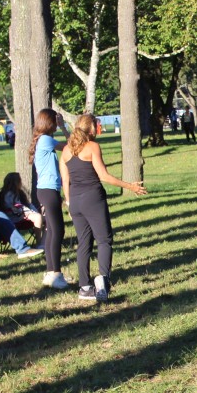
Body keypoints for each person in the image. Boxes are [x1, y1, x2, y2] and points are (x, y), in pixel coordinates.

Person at [60, 114, 146, 302]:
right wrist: (130, 186)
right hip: (93, 199)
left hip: (75, 201)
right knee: (104, 240)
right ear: (90, 128)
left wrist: (69, 203)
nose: (97, 129)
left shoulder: (66, 151)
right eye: (96, 125)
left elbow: (65, 181)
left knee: (84, 243)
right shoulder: (92, 147)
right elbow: (104, 176)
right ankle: (103, 282)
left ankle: (84, 287)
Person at [30, 109, 69, 289]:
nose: (56, 125)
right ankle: (56, 274)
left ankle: (50, 272)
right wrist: (64, 127)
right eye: (55, 122)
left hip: (46, 190)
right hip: (48, 190)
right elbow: (71, 146)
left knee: (52, 231)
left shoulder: (41, 140)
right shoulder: (45, 139)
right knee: (58, 231)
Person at [0, 172, 44, 246]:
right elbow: (13, 209)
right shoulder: (7, 195)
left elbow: (28, 204)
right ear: (16, 182)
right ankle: (39, 242)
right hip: (15, 218)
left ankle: (45, 241)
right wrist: (28, 212)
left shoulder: (19, 193)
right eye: (20, 181)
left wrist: (33, 211)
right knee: (38, 217)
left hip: (23, 215)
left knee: (47, 219)